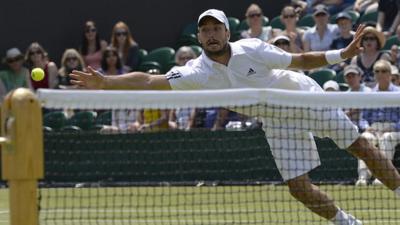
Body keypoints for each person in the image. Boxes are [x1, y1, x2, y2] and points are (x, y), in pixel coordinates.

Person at [71, 9, 400, 225]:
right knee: (298, 188)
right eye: (205, 31)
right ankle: (350, 224)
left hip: (302, 97)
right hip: (275, 120)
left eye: (216, 29)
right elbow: (147, 80)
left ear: (227, 33)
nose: (211, 34)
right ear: (199, 38)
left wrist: (340, 55)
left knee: (362, 148)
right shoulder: (195, 72)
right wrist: (105, 81)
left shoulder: (253, 48)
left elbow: (299, 60)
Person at [356, 59, 400, 186]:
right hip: (374, 128)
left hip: (394, 129)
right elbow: (363, 118)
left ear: (390, 74)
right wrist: (367, 127)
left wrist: (393, 127)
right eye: (377, 71)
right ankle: (363, 177)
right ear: (374, 74)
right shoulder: (370, 94)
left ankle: (382, 177)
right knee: (364, 138)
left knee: (387, 138)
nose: (380, 74)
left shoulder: (398, 93)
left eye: (384, 71)